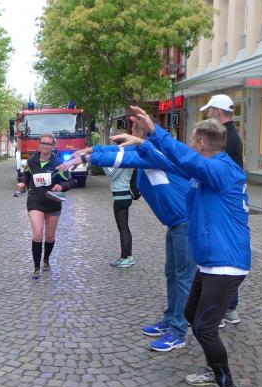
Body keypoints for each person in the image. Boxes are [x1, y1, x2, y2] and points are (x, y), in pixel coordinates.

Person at [116, 107, 251, 387]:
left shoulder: (220, 170)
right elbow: (175, 161)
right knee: (191, 314)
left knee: (204, 327)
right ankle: (213, 368)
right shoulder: (210, 169)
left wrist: (155, 131)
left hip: (226, 263)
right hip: (212, 261)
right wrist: (145, 143)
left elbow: (186, 159)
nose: (189, 146)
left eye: (191, 141)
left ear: (201, 144)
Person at [61, 132, 194, 353]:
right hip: (175, 223)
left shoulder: (157, 154)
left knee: (183, 278)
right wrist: (91, 150)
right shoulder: (145, 152)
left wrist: (86, 158)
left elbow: (124, 157)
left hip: (186, 223)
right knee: (172, 274)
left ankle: (178, 332)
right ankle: (170, 320)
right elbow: (120, 151)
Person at [201, 94, 244, 328]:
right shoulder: (232, 134)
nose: (208, 115)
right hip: (229, 199)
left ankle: (223, 308)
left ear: (217, 111)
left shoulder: (224, 136)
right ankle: (228, 308)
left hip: (224, 200)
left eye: (210, 111)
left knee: (223, 252)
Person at [15, 133, 73, 279]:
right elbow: (26, 174)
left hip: (53, 202)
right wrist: (22, 183)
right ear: (39, 144)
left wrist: (61, 186)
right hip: (35, 201)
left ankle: (46, 259)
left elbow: (70, 181)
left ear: (53, 146)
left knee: (50, 236)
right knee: (37, 233)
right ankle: (36, 267)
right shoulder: (31, 161)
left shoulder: (58, 163)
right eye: (43, 143)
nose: (45, 146)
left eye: (49, 144)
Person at [102, 164, 135, 268]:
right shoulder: (123, 160)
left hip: (121, 197)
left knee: (123, 229)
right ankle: (129, 257)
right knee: (125, 228)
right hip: (123, 196)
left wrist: (102, 163)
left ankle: (124, 258)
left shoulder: (121, 161)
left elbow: (111, 174)